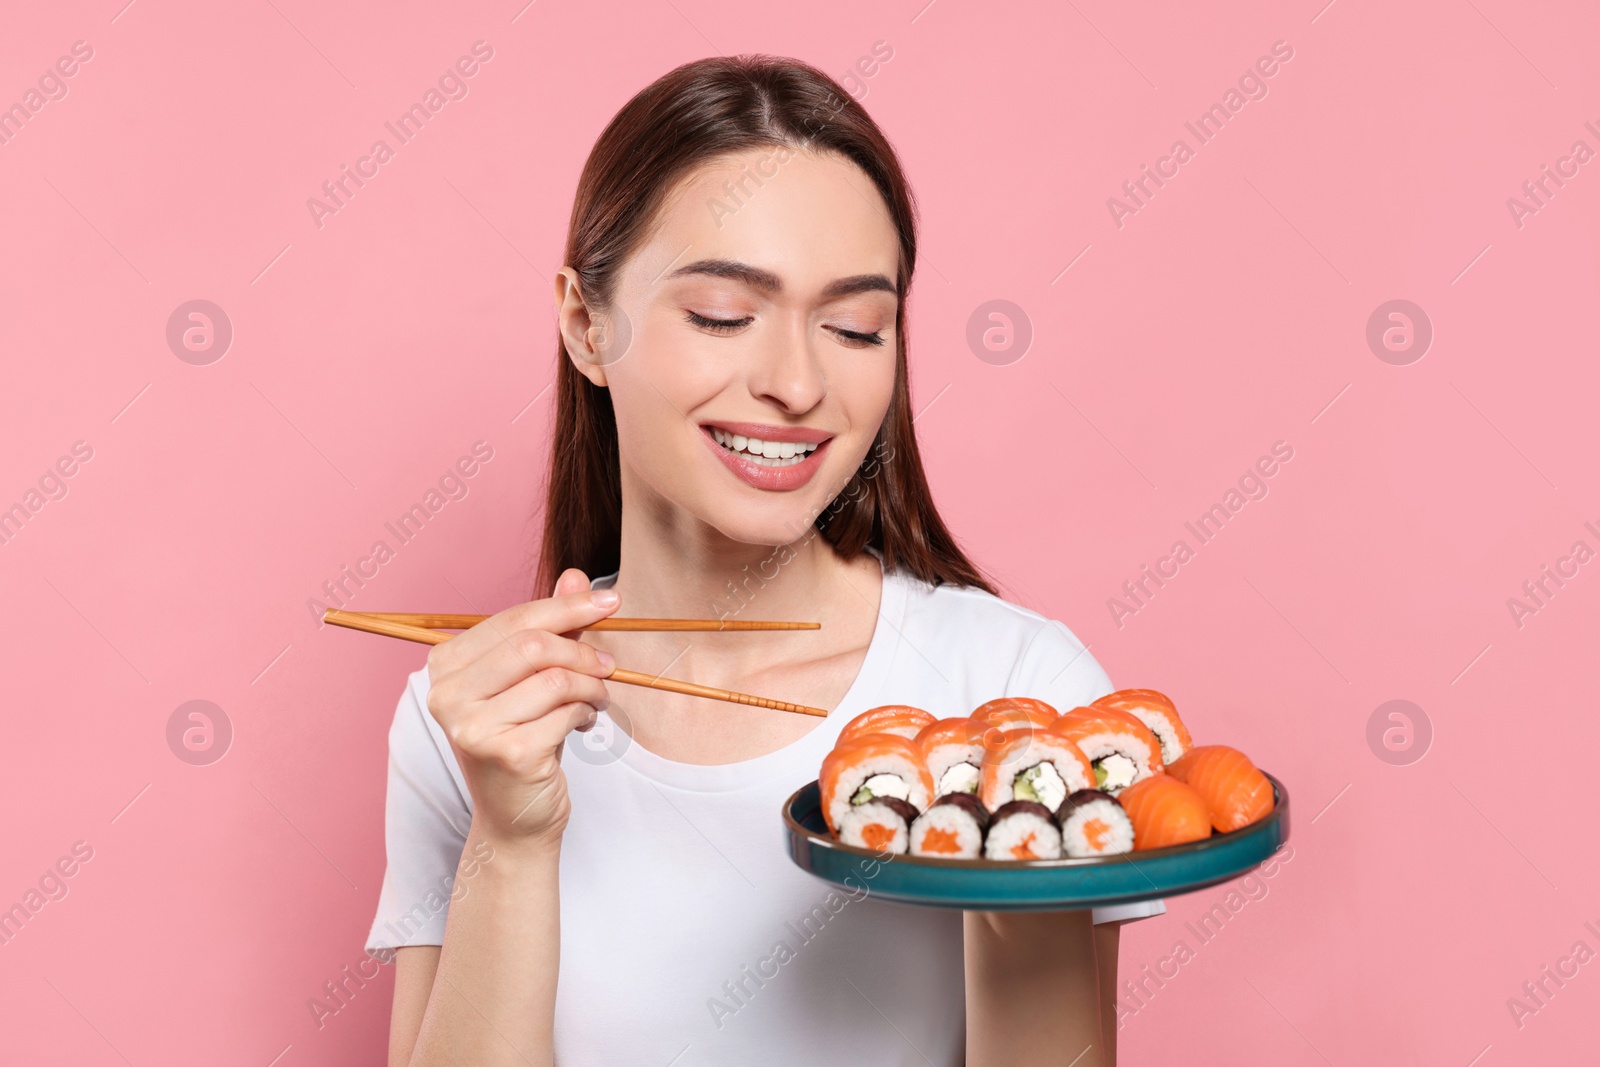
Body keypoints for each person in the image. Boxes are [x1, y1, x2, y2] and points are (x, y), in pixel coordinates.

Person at [367, 54, 1162, 1067]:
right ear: (583, 322)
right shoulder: (475, 719)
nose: (795, 381)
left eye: (853, 326)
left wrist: (1018, 874)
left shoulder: (1012, 695)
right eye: (721, 316)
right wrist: (510, 841)